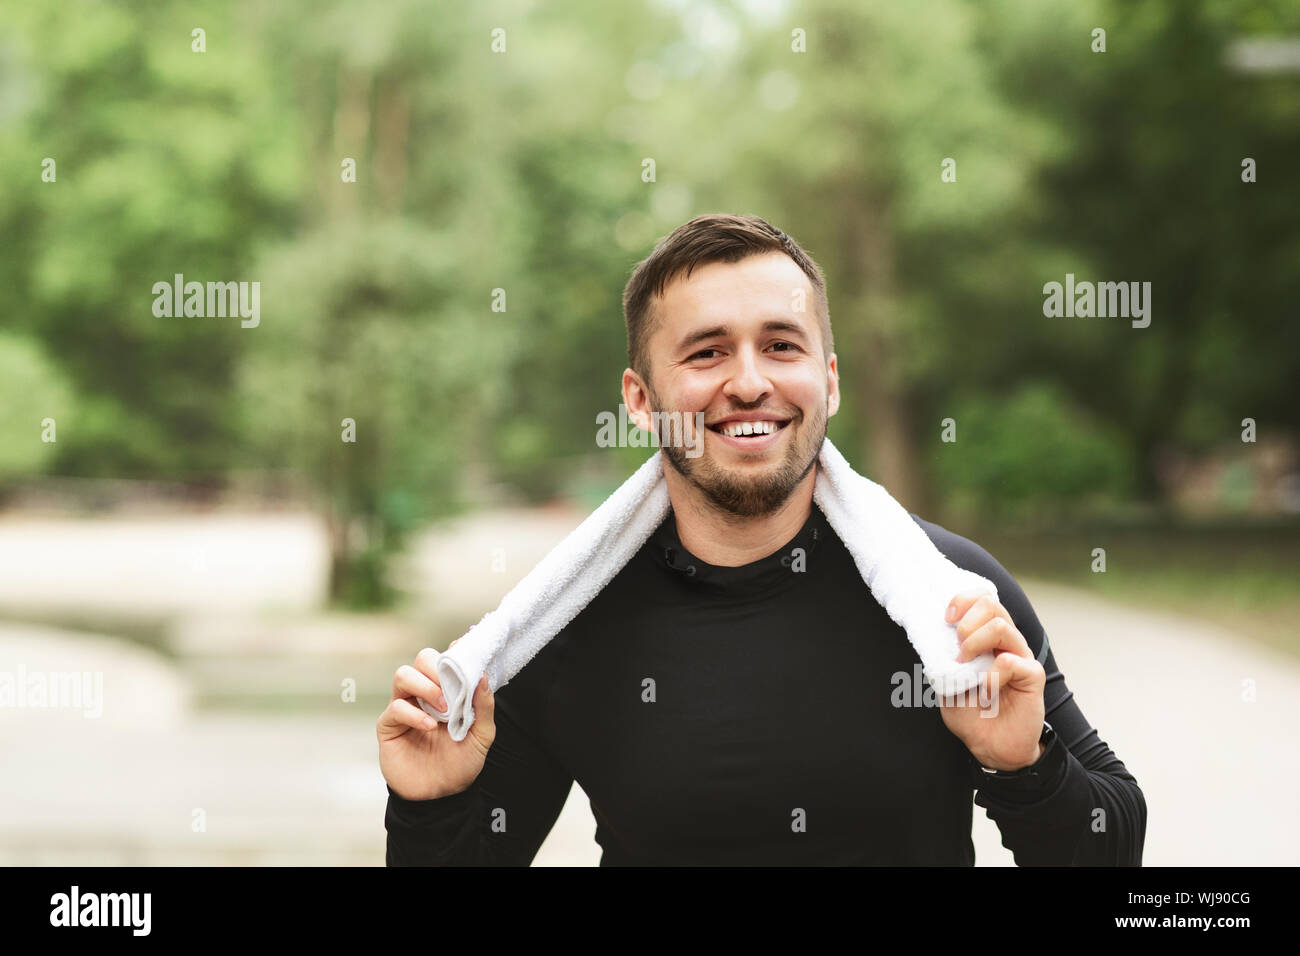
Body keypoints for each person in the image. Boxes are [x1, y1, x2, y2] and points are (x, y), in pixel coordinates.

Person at [376, 213, 1147, 865]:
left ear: (830, 381)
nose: (749, 382)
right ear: (641, 400)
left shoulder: (951, 600)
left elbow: (1114, 843)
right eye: (707, 352)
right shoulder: (567, 624)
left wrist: (1025, 763)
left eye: (782, 345)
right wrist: (426, 808)